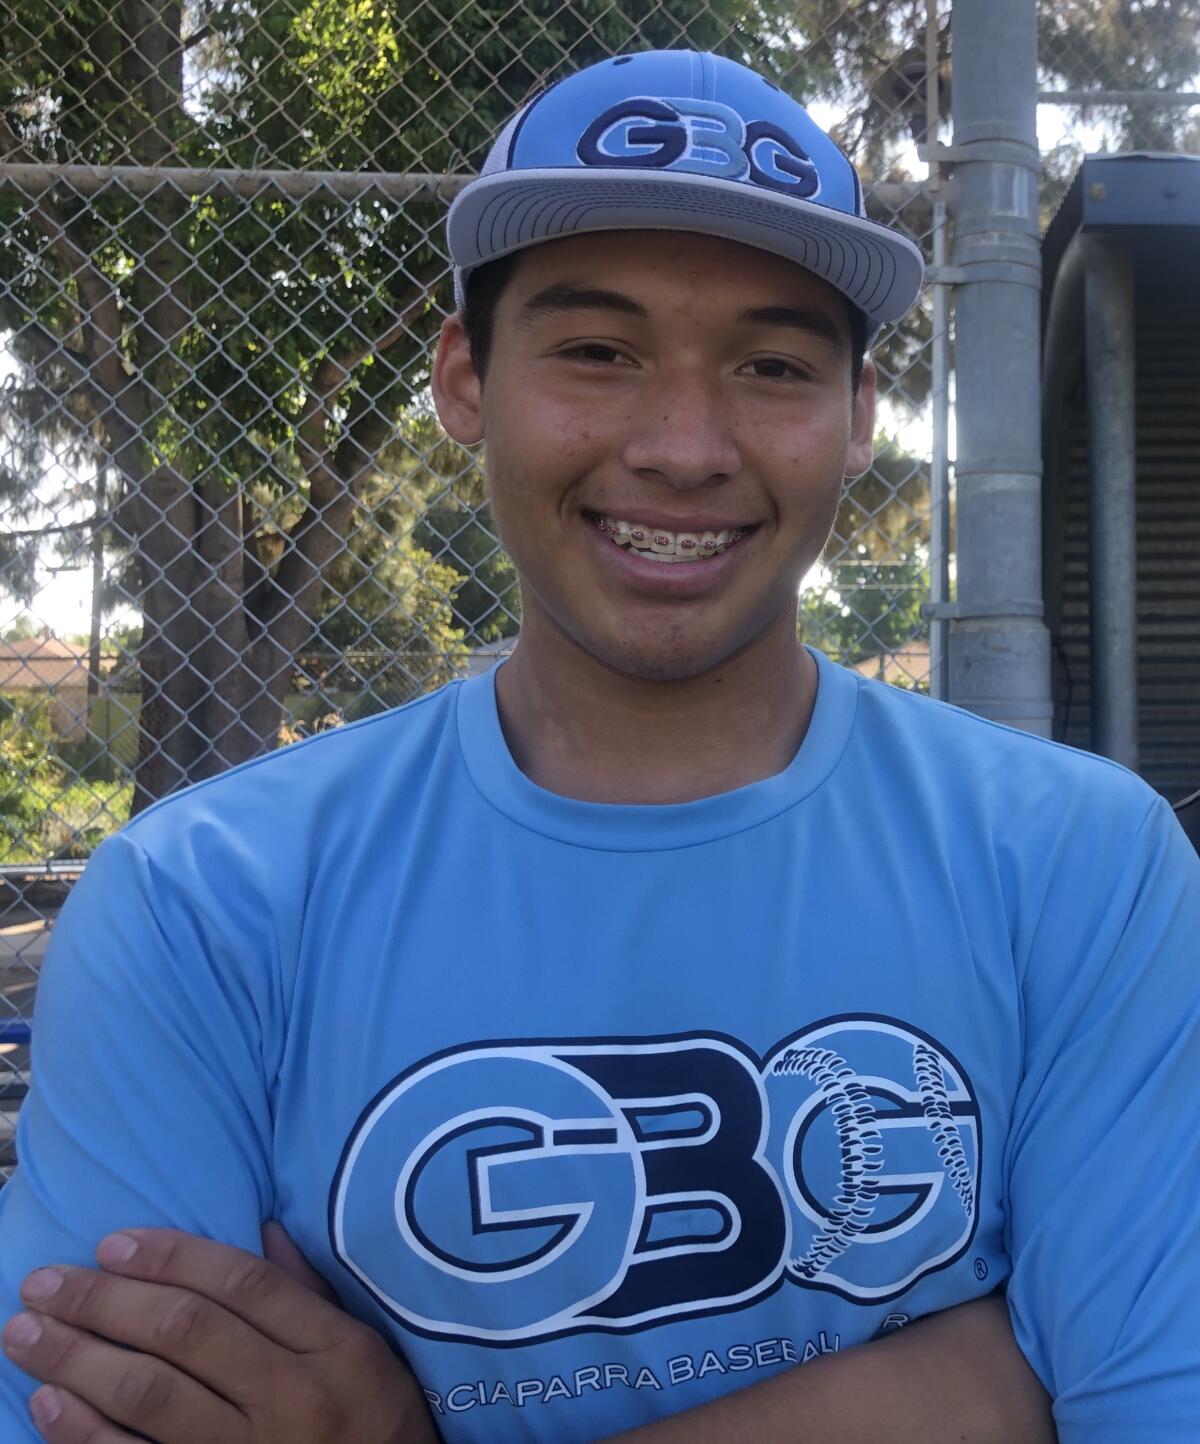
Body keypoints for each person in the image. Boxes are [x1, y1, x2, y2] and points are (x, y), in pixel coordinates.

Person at [2, 47, 1198, 1444]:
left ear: (860, 417)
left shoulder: (1080, 862)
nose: (684, 447)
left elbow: (1147, 1403)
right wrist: (980, 1380)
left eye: (771, 364)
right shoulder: (201, 905)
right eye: (595, 352)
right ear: (464, 381)